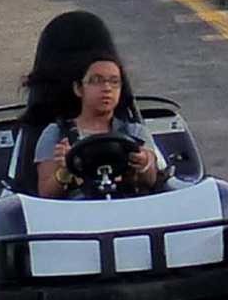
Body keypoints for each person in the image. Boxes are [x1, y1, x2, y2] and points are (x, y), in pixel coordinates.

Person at [35, 54, 165, 197]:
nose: (107, 88)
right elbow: (45, 193)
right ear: (78, 88)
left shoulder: (135, 132)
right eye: (97, 81)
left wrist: (144, 163)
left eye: (114, 82)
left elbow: (151, 181)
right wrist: (65, 170)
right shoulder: (56, 134)